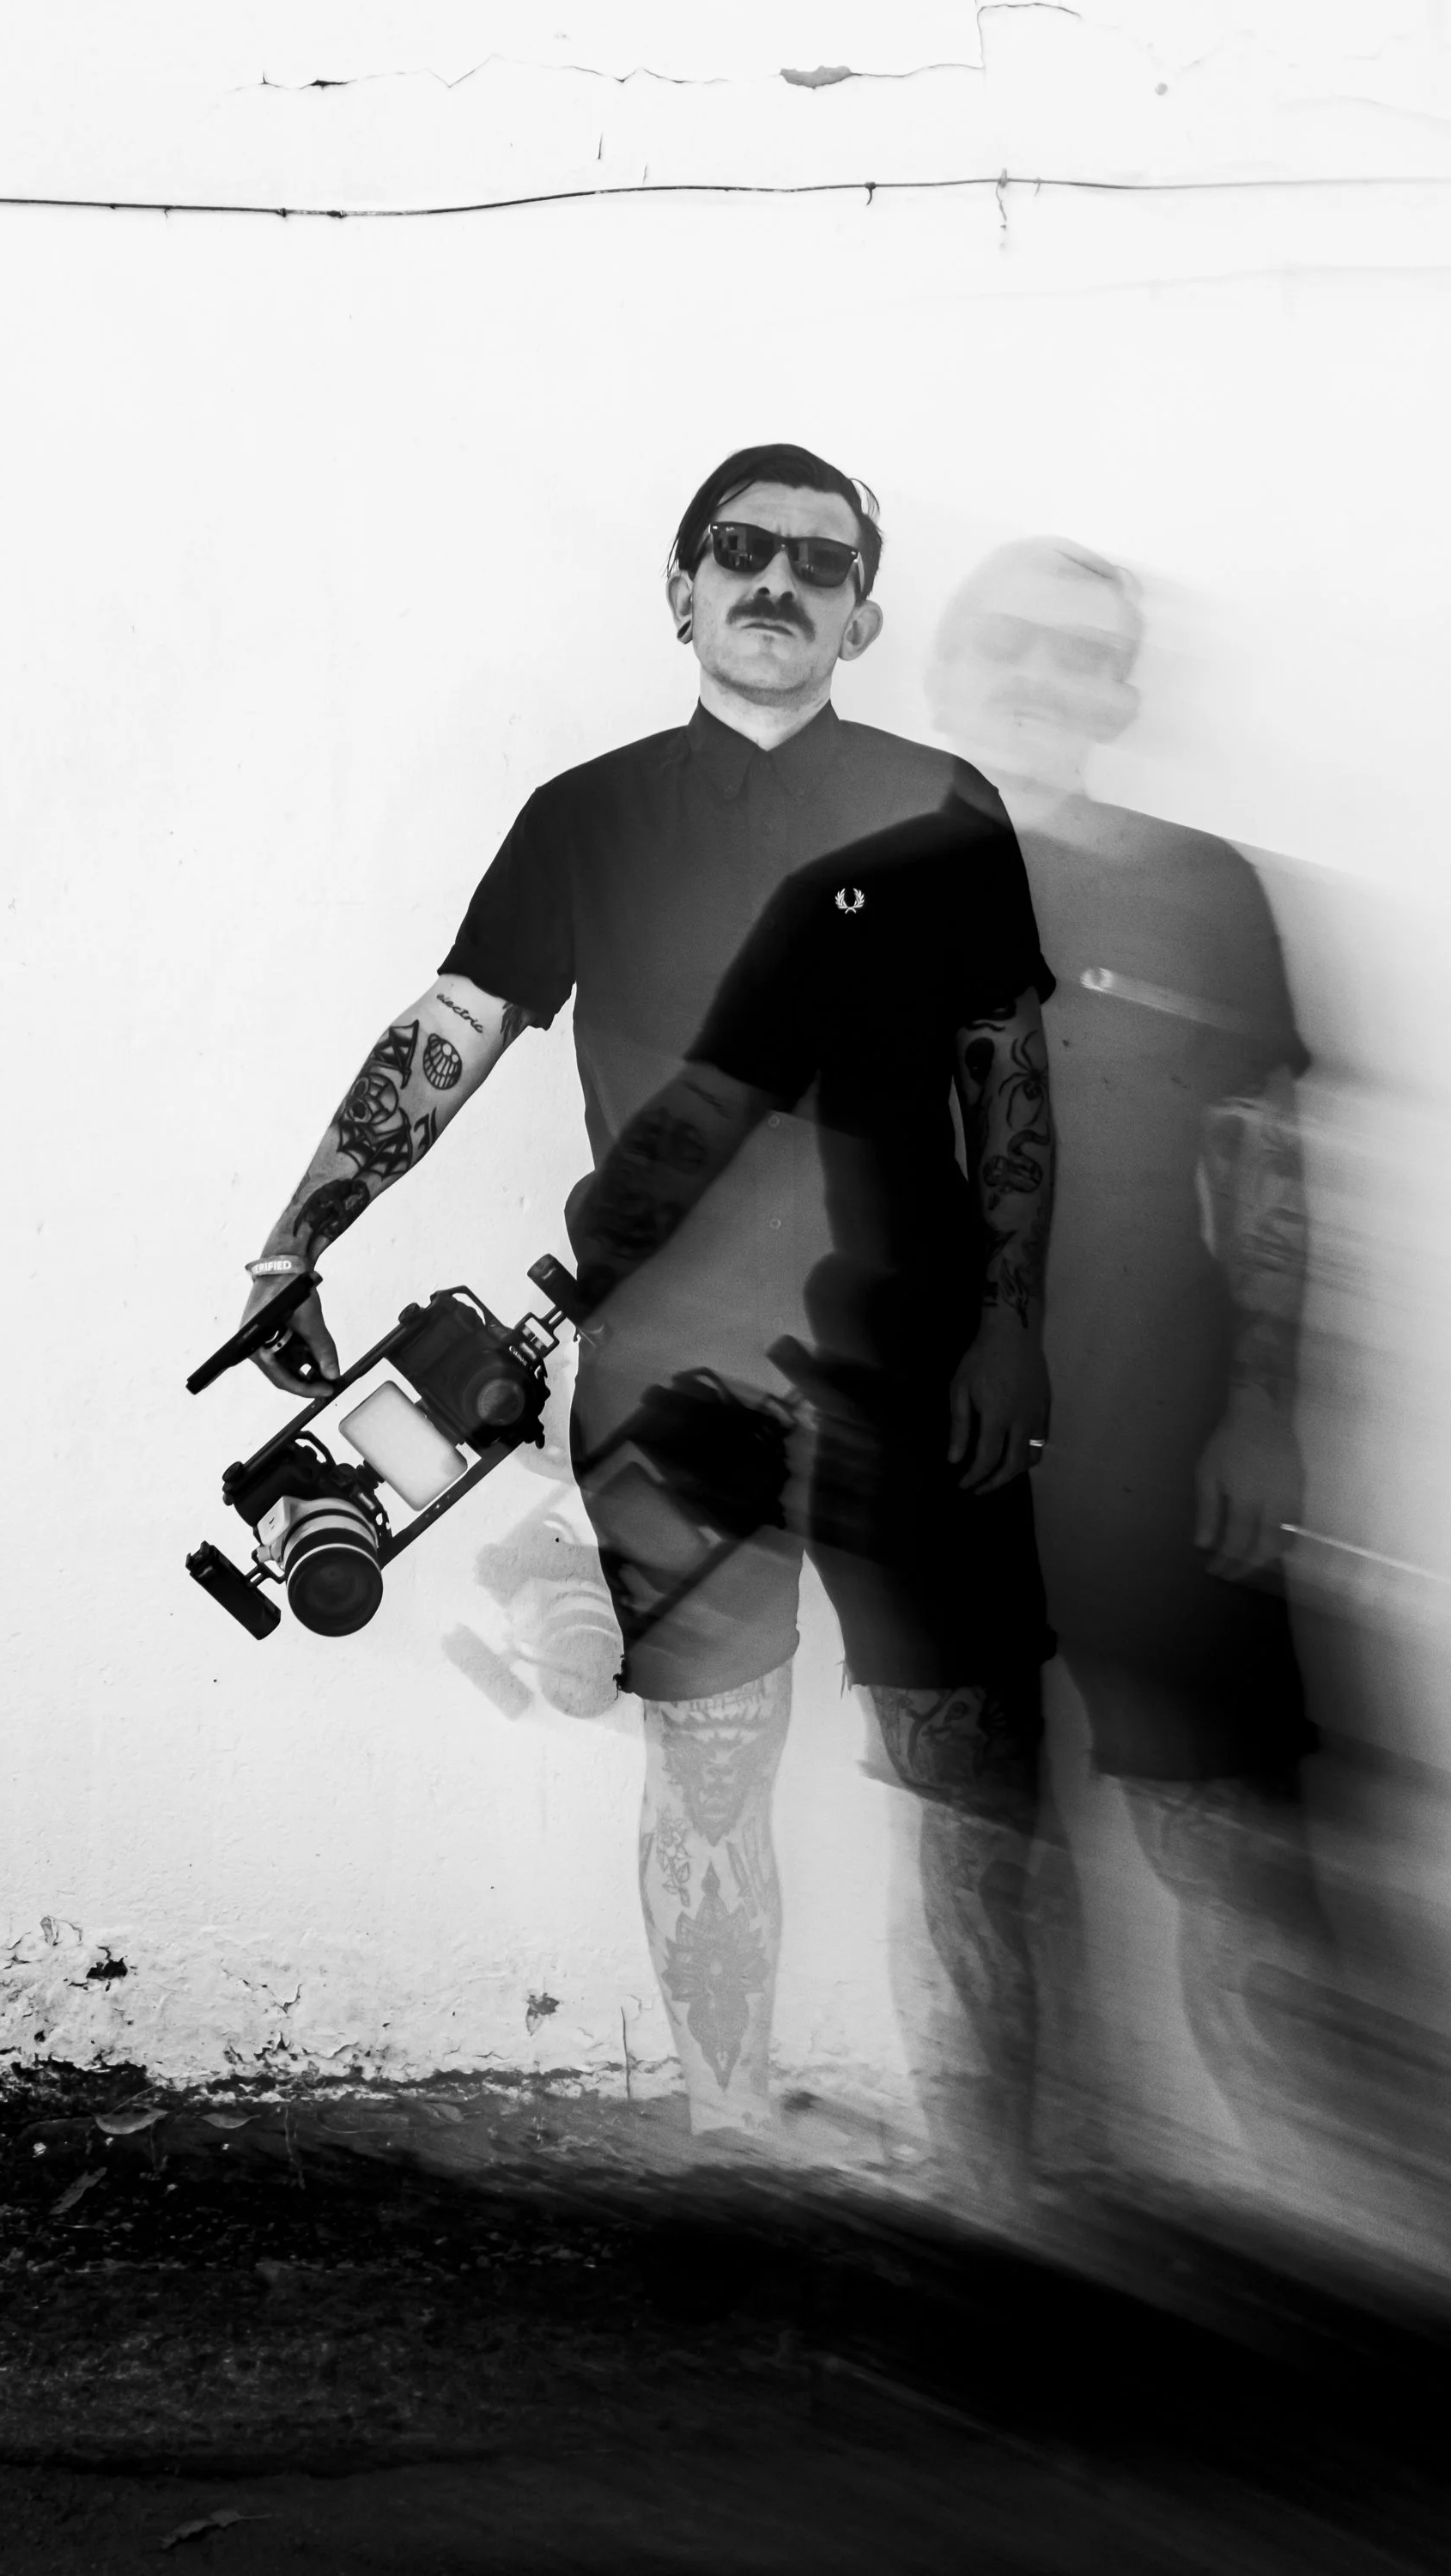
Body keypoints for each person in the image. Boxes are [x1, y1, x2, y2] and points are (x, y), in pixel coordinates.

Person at [235, 447, 1057, 2156]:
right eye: (738, 551)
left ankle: (997, 2180)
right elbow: (446, 1033)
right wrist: (295, 1236)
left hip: (910, 1361)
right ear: (679, 591)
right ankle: (737, 2132)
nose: (776, 582)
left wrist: (1009, 1322)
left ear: (863, 612)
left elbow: (1013, 1084)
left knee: (970, 1768)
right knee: (706, 1756)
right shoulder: (585, 815)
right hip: (670, 1365)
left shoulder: (942, 806)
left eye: (817, 564)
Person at [925, 538, 1327, 2154]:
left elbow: (1265, 1161)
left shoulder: (1201, 885)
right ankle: (1000, 2235)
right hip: (930, 1451)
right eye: (1013, 643)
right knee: (970, 1842)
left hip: (1163, 1444)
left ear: (1124, 693)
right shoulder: (859, 875)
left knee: (1224, 1838)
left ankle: (1329, 2223)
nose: (1044, 677)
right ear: (950, 662)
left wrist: (1263, 1411)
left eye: (1085, 656)